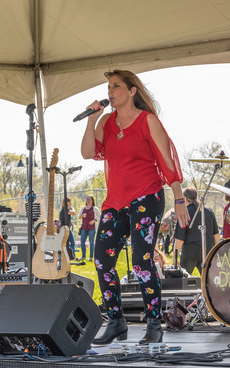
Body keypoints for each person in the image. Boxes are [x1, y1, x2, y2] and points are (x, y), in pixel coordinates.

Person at [80, 69, 190, 345]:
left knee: (142, 262)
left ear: (131, 91)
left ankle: (154, 324)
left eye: (115, 86)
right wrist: (91, 120)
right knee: (102, 262)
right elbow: (87, 152)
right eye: (108, 87)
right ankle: (116, 322)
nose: (110, 91)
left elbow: (167, 160)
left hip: (146, 197)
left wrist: (178, 199)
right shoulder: (106, 121)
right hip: (115, 202)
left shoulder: (146, 120)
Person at [174, 187, 221, 275]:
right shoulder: (209, 211)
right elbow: (216, 235)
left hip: (190, 252)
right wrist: (217, 252)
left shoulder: (184, 212)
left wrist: (174, 258)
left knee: (184, 280)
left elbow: (179, 239)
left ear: (184, 198)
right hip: (207, 251)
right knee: (208, 281)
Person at [78, 195, 100, 261]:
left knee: (91, 242)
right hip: (84, 228)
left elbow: (100, 216)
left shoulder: (95, 208)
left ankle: (91, 257)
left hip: (92, 228)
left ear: (92, 201)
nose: (88, 201)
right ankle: (83, 256)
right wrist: (82, 216)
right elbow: (79, 217)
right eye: (87, 199)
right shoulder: (83, 208)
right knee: (82, 242)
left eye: (89, 199)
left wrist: (94, 220)